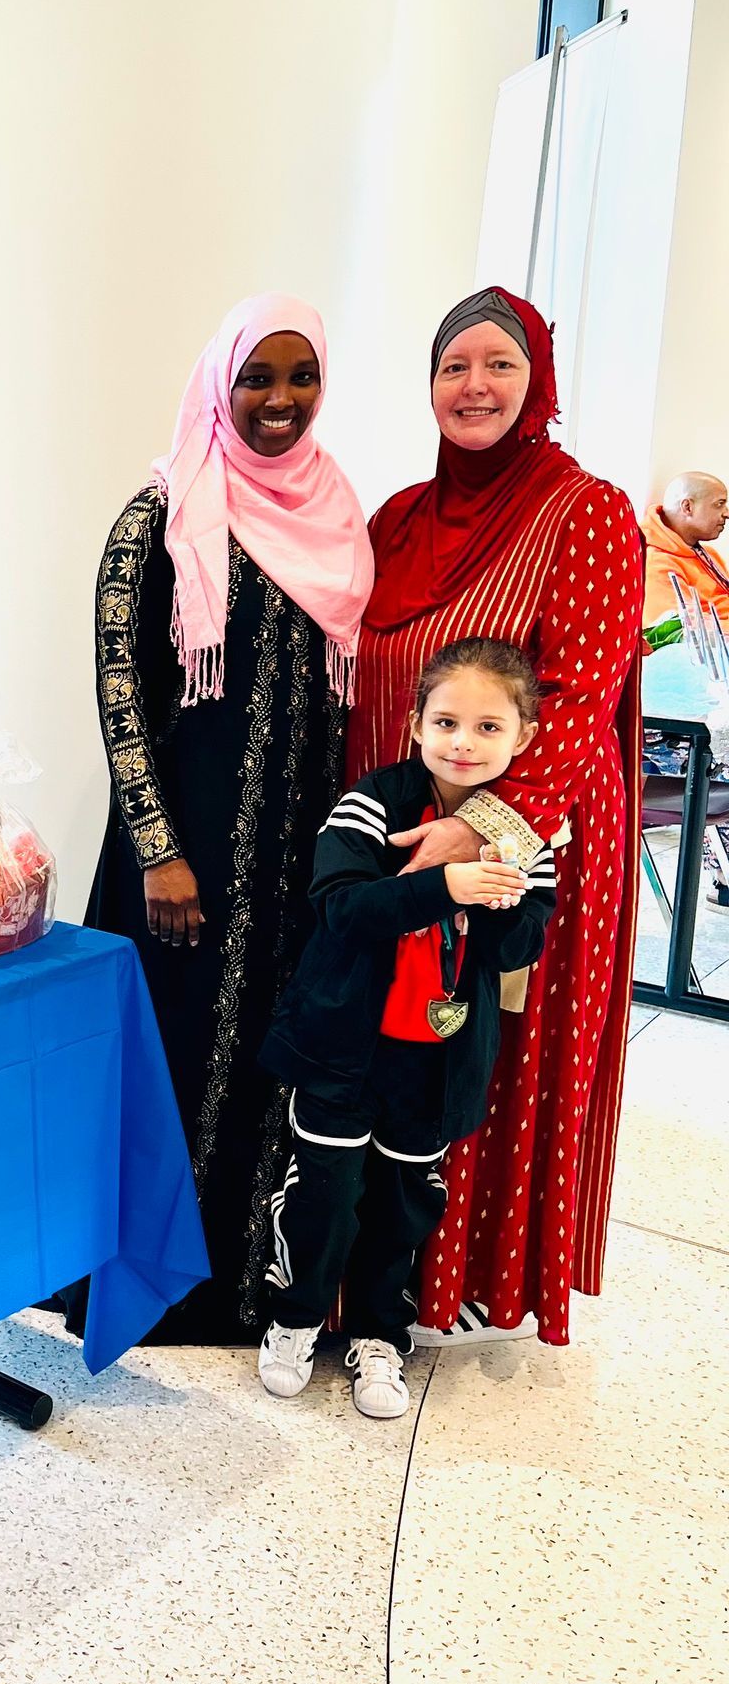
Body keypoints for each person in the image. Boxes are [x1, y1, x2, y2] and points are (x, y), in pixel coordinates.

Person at [350, 288, 642, 1348]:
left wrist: (477, 834)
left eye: (500, 364)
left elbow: (579, 697)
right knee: (383, 1047)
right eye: (453, 366)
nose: (474, 387)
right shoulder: (397, 519)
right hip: (399, 837)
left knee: (481, 1050)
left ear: (538, 383)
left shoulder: (585, 511)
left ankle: (457, 1281)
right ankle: (355, 1276)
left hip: (524, 841)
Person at [86, 294, 374, 1341]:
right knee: (170, 1061)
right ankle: (141, 1285)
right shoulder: (160, 514)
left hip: (293, 857)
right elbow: (120, 690)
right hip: (186, 860)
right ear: (221, 382)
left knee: (261, 1059)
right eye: (258, 376)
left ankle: (246, 1288)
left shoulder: (337, 513)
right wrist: (158, 851)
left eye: (301, 376)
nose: (280, 399)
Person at [257, 641, 556, 1418]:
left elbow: (520, 948)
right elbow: (341, 908)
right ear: (416, 722)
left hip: (439, 1061)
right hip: (342, 1047)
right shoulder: (371, 803)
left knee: (404, 1205)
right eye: (446, 721)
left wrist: (499, 899)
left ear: (523, 736)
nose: (463, 743)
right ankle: (293, 1319)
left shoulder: (524, 834)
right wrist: (447, 884)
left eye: (488, 727)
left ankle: (380, 1334)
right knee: (324, 1194)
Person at [643, 471, 729, 626]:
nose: (726, 513)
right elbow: (679, 629)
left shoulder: (709, 554)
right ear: (687, 507)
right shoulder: (656, 562)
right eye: (719, 504)